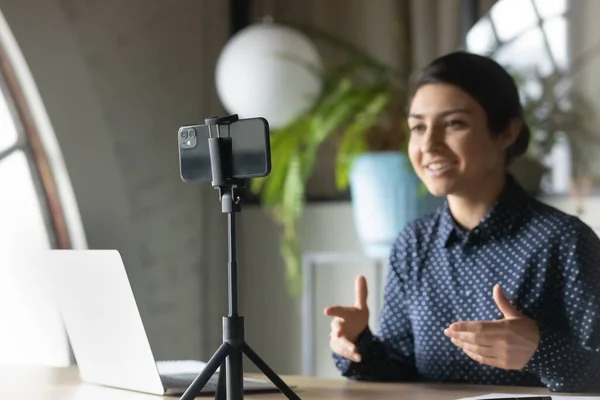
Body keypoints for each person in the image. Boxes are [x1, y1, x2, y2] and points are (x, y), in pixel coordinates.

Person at [324, 51, 600, 393]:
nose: (429, 145)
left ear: (507, 132)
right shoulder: (413, 242)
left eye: (454, 123)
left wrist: (540, 351)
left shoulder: (564, 241)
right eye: (418, 127)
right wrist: (357, 342)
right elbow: (397, 370)